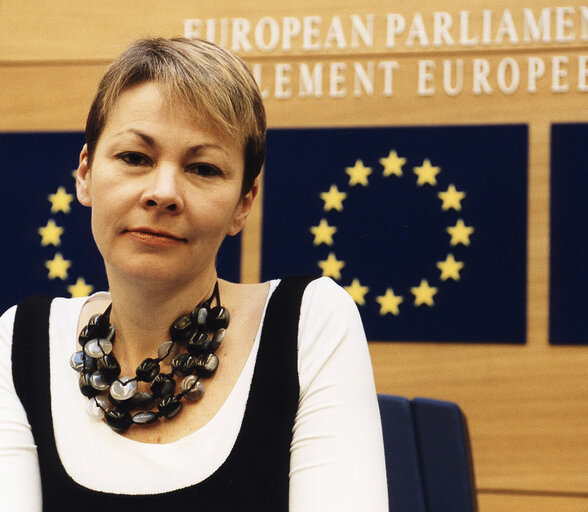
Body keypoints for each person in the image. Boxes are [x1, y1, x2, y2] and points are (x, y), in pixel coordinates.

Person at [0, 37, 388, 511]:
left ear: (243, 204)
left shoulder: (309, 322)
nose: (163, 193)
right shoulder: (17, 341)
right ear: (85, 173)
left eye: (202, 168)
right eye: (135, 158)